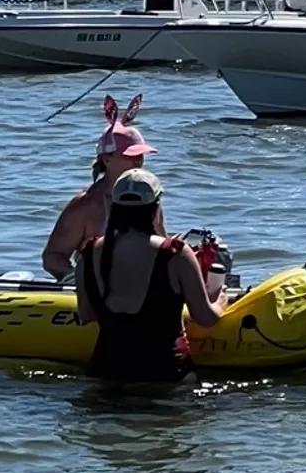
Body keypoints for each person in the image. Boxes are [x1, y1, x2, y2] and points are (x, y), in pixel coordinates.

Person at [74, 168, 221, 382]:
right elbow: (206, 318)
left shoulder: (89, 253)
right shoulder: (174, 253)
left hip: (107, 372)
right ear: (156, 207)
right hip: (164, 375)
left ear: (114, 208)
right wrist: (220, 299)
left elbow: (86, 314)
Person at [42, 95, 154, 280]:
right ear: (107, 158)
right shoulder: (86, 204)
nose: (139, 160)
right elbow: (52, 258)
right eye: (131, 155)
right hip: (99, 291)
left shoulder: (148, 197)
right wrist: (80, 281)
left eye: (141, 154)